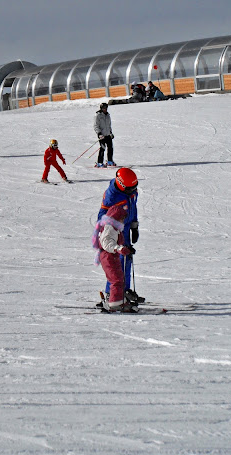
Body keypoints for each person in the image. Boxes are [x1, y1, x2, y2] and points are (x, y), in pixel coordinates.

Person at [97, 167, 143, 305]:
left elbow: (133, 208)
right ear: (122, 185)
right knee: (116, 262)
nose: (133, 191)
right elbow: (102, 215)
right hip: (115, 229)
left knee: (127, 258)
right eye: (130, 188)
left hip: (127, 227)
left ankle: (124, 290)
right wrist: (108, 232)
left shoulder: (131, 192)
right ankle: (111, 292)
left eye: (134, 187)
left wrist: (134, 226)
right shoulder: (112, 196)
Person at [92, 203, 138, 313]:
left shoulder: (114, 228)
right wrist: (119, 248)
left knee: (118, 278)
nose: (123, 221)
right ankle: (115, 303)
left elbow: (114, 242)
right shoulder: (109, 228)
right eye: (121, 218)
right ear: (115, 217)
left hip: (112, 256)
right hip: (108, 257)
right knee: (116, 279)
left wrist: (125, 248)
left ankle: (118, 299)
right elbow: (107, 243)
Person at [94, 102, 114, 168]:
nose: (105, 109)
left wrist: (110, 133)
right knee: (102, 148)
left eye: (106, 108)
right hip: (101, 135)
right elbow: (96, 126)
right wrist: (99, 134)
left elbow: (109, 125)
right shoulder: (98, 115)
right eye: (103, 108)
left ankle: (110, 161)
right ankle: (99, 162)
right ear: (101, 108)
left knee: (110, 147)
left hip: (108, 134)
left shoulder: (108, 115)